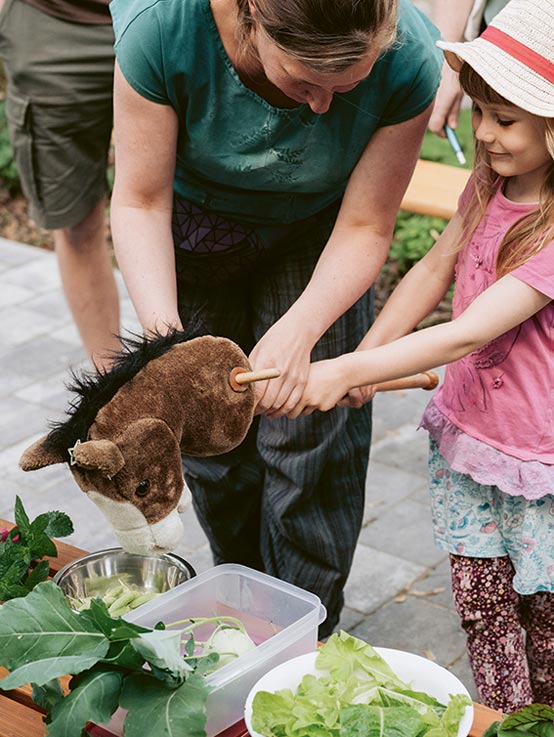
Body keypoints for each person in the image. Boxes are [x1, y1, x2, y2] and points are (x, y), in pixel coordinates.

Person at [109, 0, 443, 636]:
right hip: (193, 227)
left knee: (311, 444)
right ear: (251, 15)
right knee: (213, 437)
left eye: (347, 87)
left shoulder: (410, 60)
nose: (321, 108)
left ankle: (306, 637)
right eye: (303, 82)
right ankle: (246, 614)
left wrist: (300, 330)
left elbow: (369, 223)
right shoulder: (161, 28)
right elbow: (141, 200)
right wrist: (167, 347)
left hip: (322, 231)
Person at [288, 0, 554, 709]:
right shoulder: (488, 184)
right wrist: (370, 358)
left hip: (540, 463)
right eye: (479, 112)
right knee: (485, 612)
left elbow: (471, 331)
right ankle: (505, 722)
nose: (485, 134)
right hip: (468, 441)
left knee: (547, 627)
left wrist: (343, 367)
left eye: (506, 119)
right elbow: (436, 266)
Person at [0, 0, 121, 370]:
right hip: (53, 22)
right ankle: (117, 390)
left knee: (203, 215)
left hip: (181, 12)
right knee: (76, 224)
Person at [428, 0, 510, 136]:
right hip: (497, 37)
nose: (480, 134)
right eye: (478, 110)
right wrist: (446, 66)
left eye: (505, 121)